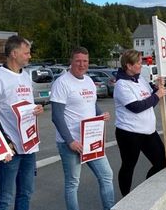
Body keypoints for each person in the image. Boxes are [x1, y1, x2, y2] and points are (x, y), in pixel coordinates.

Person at [0, 35, 44, 210]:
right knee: (5, 197)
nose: (29, 56)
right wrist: (4, 141)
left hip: (29, 144)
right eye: (26, 53)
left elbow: (25, 106)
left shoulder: (25, 76)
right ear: (14, 53)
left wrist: (36, 110)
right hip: (10, 147)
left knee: (26, 193)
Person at [50, 47, 114, 210]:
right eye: (78, 60)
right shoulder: (62, 83)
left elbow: (92, 105)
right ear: (71, 61)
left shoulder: (88, 81)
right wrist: (70, 141)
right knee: (73, 183)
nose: (82, 64)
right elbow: (56, 116)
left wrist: (101, 115)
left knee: (106, 175)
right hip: (71, 143)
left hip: (91, 140)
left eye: (85, 61)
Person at [113, 49, 166, 196]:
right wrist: (156, 95)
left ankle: (144, 192)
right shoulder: (121, 84)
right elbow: (136, 107)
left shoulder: (141, 79)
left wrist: (157, 87)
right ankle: (126, 198)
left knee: (162, 162)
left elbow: (150, 101)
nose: (141, 65)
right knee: (129, 166)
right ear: (129, 66)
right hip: (129, 133)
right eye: (138, 62)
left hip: (148, 131)